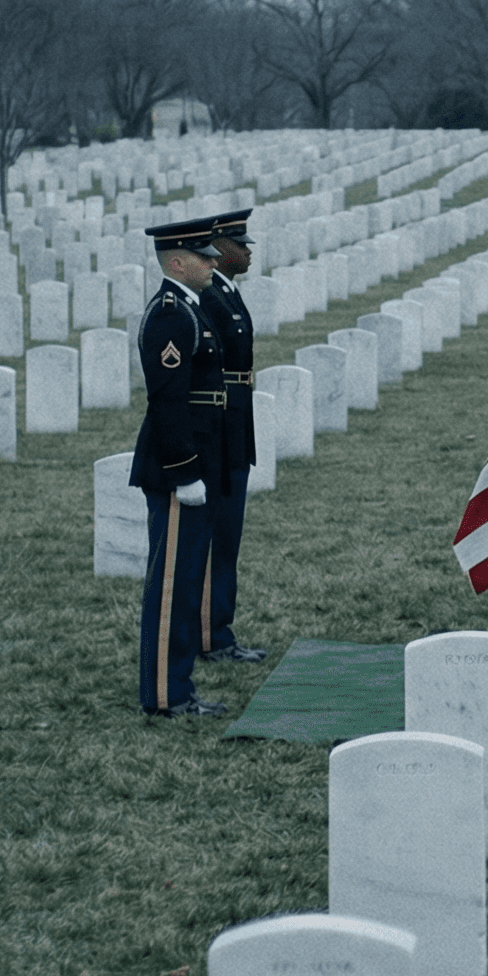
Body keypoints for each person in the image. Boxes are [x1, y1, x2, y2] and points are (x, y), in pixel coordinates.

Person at [129, 215, 242, 717]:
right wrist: (184, 470)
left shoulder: (191, 310)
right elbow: (168, 401)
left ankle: (179, 686)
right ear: (178, 261)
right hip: (181, 469)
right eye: (204, 255)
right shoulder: (171, 314)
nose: (215, 260)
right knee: (171, 584)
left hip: (201, 463)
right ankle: (164, 694)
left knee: (188, 577)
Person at [196, 209, 267, 666]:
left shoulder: (228, 293)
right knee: (216, 536)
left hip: (236, 424)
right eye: (240, 245)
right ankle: (210, 633)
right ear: (221, 250)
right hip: (219, 427)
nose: (248, 251)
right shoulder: (209, 298)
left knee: (229, 534)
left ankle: (220, 628)